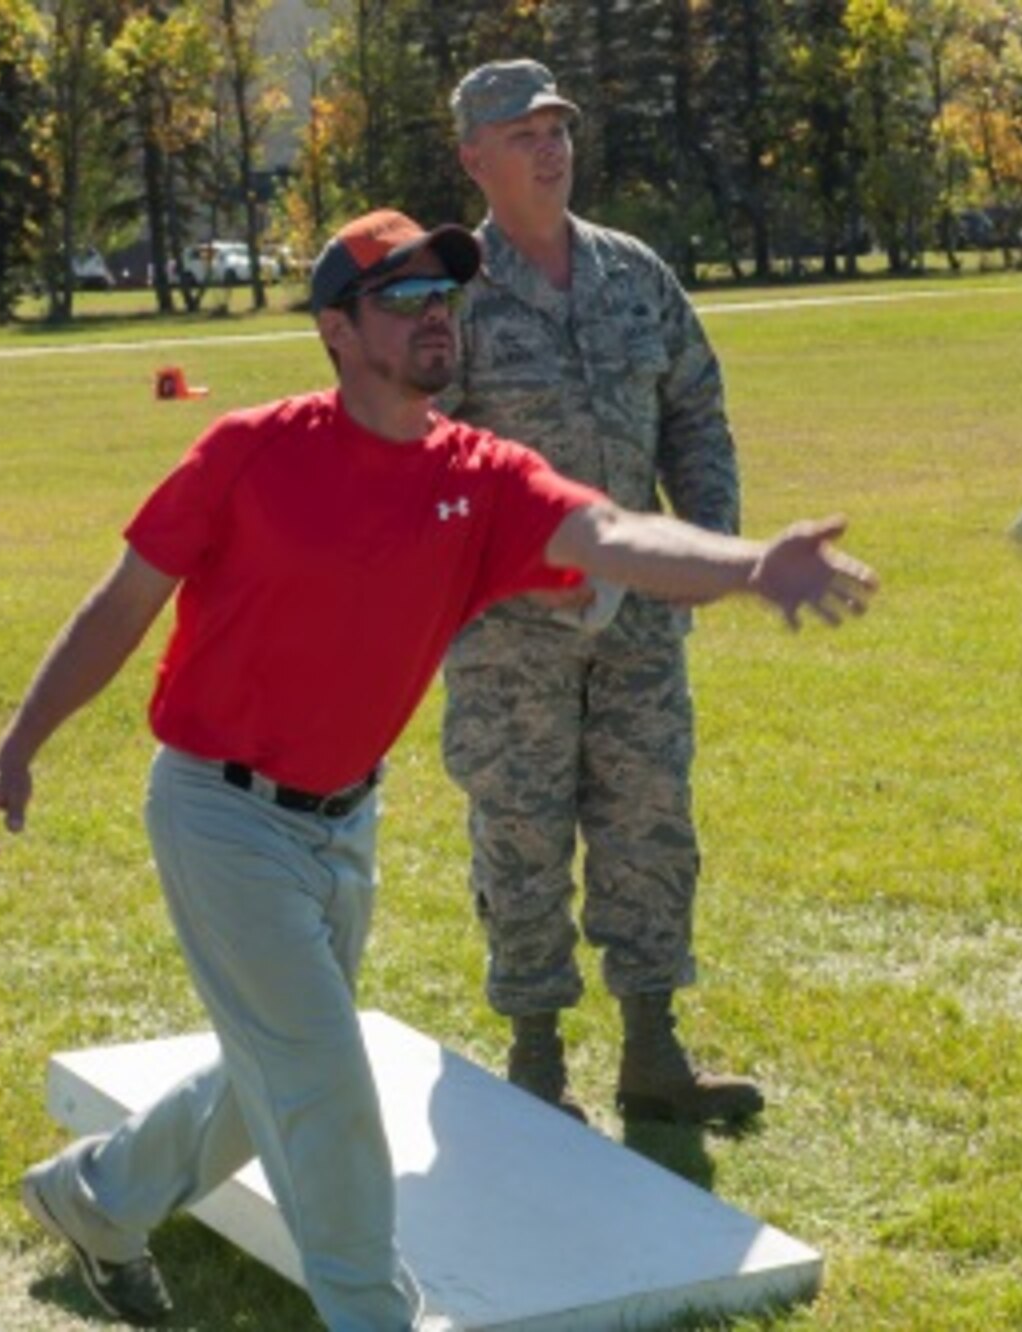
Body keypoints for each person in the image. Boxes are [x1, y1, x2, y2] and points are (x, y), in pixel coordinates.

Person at [0, 207, 876, 1332]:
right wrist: (14, 752)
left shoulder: (480, 476)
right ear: (338, 329)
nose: (436, 317)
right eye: (403, 299)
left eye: (444, 297)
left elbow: (613, 538)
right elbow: (121, 606)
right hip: (219, 811)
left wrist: (746, 565)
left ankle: (98, 1197)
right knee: (327, 1091)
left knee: (273, 1071)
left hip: (343, 824)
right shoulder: (250, 449)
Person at [440, 59, 756, 1127]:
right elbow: (427, 467)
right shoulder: (449, 298)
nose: (550, 146)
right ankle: (536, 1067)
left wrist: (696, 554)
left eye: (559, 127)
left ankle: (653, 1055)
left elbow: (696, 418)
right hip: (508, 634)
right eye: (522, 132)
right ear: (472, 157)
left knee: (648, 822)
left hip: (638, 623)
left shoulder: (634, 275)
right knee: (520, 833)